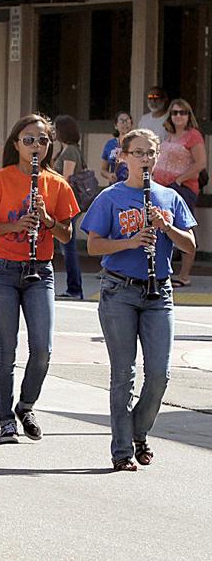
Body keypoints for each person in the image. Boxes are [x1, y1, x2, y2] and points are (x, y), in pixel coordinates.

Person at [82, 129, 197, 471]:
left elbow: (189, 245)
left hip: (158, 291)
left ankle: (139, 430)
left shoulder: (168, 197)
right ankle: (122, 451)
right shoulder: (110, 197)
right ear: (123, 157)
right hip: (119, 290)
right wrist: (130, 242)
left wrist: (167, 228)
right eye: (138, 153)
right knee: (123, 374)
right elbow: (93, 246)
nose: (145, 159)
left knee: (159, 374)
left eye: (150, 153)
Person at [0, 114, 80, 444]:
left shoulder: (57, 184)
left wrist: (47, 219)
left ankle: (26, 404)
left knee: (43, 348)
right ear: (16, 144)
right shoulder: (0, 179)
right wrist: (13, 227)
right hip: (2, 269)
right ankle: (6, 419)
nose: (36, 146)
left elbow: (66, 235)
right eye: (29, 140)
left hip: (40, 271)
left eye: (43, 141)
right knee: (6, 350)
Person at [153, 98, 205, 287]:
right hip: (162, 188)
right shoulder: (169, 135)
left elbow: (201, 163)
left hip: (182, 188)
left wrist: (179, 180)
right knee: (161, 227)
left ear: (189, 115)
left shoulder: (193, 135)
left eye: (182, 112)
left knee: (184, 228)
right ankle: (160, 271)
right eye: (174, 112)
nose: (178, 116)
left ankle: (184, 275)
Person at [51, 115, 86, 300]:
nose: (53, 132)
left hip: (68, 204)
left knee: (68, 247)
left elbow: (66, 178)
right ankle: (74, 287)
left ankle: (75, 288)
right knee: (66, 247)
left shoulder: (70, 151)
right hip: (64, 203)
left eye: (56, 129)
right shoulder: (64, 150)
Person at [100, 112, 132, 184]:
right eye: (121, 121)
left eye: (127, 121)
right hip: (115, 184)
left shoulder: (135, 143)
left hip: (131, 185)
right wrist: (109, 175)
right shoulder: (110, 144)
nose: (125, 123)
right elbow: (103, 170)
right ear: (116, 126)